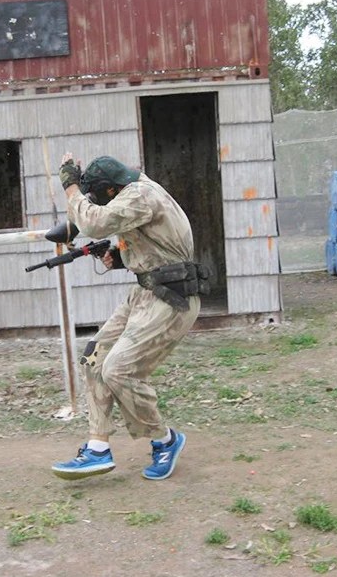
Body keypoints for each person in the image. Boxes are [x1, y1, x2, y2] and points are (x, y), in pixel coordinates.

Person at [52, 153, 209, 481]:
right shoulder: (133, 190)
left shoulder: (140, 195)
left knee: (119, 370)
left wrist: (70, 187)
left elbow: (94, 223)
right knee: (93, 358)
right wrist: (122, 257)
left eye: (99, 196)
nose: (99, 201)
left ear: (111, 190)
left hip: (171, 299)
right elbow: (158, 243)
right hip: (145, 293)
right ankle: (98, 449)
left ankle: (165, 441)